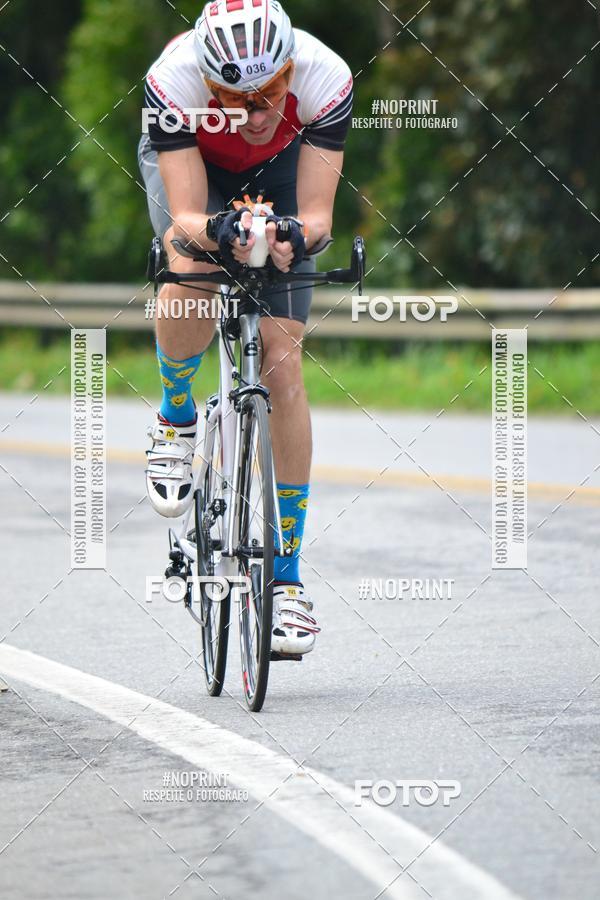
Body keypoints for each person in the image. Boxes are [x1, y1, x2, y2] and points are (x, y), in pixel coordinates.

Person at [139, 0, 353, 657]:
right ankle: (176, 418)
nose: (256, 114)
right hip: (195, 170)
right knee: (190, 266)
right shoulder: (172, 83)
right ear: (208, 85)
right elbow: (183, 217)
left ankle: (285, 585)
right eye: (235, 98)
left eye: (269, 94)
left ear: (290, 68)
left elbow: (317, 217)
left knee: (282, 361)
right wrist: (219, 232)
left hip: (284, 170)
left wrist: (289, 235)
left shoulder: (325, 78)